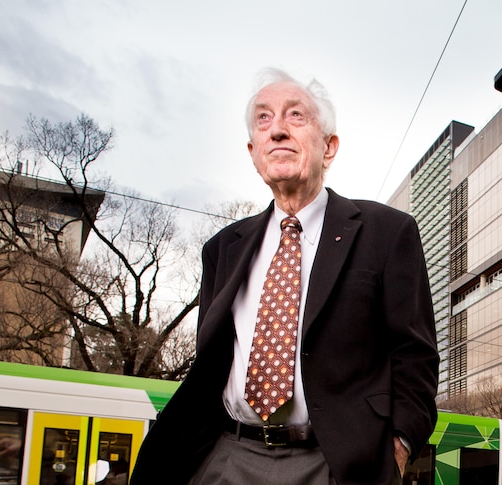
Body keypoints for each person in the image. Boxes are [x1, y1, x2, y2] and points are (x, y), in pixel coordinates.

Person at [130, 67, 439, 485]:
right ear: (254, 151)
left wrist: (399, 446)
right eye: (263, 118)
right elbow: (211, 363)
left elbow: (415, 356)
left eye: (295, 116)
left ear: (329, 147)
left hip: (335, 464)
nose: (276, 129)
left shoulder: (386, 232)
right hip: (229, 454)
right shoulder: (222, 248)